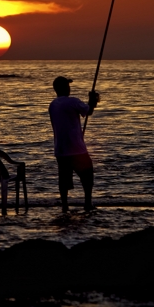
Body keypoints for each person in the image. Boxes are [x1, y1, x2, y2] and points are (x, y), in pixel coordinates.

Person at [48, 76, 100, 212]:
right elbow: (88, 111)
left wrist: (90, 102)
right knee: (87, 175)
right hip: (76, 149)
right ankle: (88, 203)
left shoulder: (53, 105)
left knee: (64, 180)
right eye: (67, 85)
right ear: (63, 88)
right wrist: (93, 100)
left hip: (60, 149)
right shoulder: (72, 102)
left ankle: (65, 206)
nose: (69, 88)